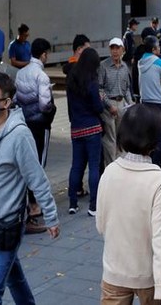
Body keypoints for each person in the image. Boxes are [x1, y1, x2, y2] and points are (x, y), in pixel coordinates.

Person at [0, 72, 60, 303]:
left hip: (6, 221)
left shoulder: (19, 135)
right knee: (13, 276)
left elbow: (36, 178)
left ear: (7, 102)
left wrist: (50, 216)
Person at [96, 104, 161, 305]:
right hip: (147, 275)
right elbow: (160, 238)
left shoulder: (109, 172)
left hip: (114, 271)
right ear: (154, 141)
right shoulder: (158, 179)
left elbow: (100, 225)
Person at [14, 37, 56, 233]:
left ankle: (29, 204)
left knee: (26, 163)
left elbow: (16, 98)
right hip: (40, 124)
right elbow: (44, 104)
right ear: (44, 54)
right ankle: (36, 206)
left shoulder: (21, 73)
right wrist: (50, 108)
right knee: (39, 164)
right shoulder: (42, 76)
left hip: (24, 123)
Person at [66, 48, 103, 216]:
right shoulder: (92, 82)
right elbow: (98, 107)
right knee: (94, 167)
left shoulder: (71, 80)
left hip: (76, 128)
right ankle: (93, 206)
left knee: (76, 166)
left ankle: (72, 203)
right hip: (92, 127)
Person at [99, 37, 133, 168]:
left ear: (122, 50)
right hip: (108, 105)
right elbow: (100, 89)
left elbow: (126, 89)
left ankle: (120, 165)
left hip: (121, 103)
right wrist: (109, 105)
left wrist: (130, 103)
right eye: (112, 48)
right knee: (110, 139)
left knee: (121, 137)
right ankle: (110, 167)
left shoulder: (125, 66)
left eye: (117, 48)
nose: (115, 51)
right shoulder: (104, 66)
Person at [138, 36, 161, 168]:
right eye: (158, 47)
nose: (160, 49)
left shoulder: (140, 62)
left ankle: (147, 165)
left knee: (147, 137)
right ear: (153, 49)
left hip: (144, 101)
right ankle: (157, 167)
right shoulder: (159, 62)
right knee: (159, 138)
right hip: (158, 103)